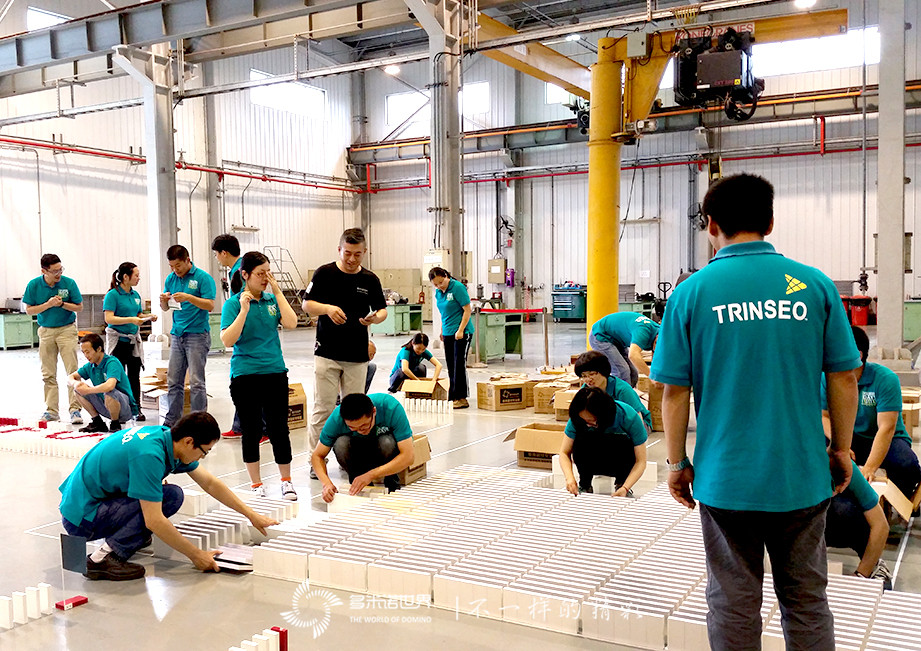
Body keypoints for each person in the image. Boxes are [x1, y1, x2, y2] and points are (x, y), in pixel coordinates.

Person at [650, 173, 860, 651]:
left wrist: (677, 463)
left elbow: (674, 392)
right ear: (770, 221)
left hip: (726, 481)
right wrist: (841, 450)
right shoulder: (814, 286)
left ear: (710, 224)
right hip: (801, 476)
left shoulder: (690, 293)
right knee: (806, 601)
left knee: (732, 602)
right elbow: (845, 377)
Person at [59, 412, 279, 581]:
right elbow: (154, 520)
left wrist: (251, 515)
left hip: (90, 503)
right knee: (166, 499)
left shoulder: (165, 439)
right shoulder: (149, 455)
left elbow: (210, 483)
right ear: (189, 441)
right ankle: (101, 559)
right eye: (204, 451)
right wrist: (196, 555)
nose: (202, 457)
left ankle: (127, 537)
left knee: (171, 494)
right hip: (83, 519)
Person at [302, 228, 387, 478]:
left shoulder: (370, 279)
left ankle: (349, 458)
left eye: (357, 254)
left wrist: (376, 318)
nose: (351, 259)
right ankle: (315, 461)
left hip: (357, 357)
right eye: (347, 253)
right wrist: (327, 309)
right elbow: (307, 304)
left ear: (365, 252)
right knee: (323, 408)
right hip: (327, 353)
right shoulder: (324, 273)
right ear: (339, 249)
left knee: (356, 413)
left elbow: (382, 309)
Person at [221, 252, 299, 500]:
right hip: (245, 375)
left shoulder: (271, 300)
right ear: (245, 275)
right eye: (260, 273)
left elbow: (292, 323)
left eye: (268, 272)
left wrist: (277, 292)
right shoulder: (233, 304)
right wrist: (244, 310)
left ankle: (286, 480)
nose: (265, 278)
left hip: (275, 372)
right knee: (251, 429)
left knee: (279, 428)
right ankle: (256, 484)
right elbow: (227, 340)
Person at [822, 326, 921, 499]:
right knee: (816, 455)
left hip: (884, 439)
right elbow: (823, 416)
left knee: (906, 465)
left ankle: (897, 503)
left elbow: (886, 429)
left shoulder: (885, 379)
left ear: (858, 355)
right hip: (847, 437)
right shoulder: (827, 378)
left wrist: (869, 468)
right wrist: (840, 444)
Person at [311, 393, 415, 501]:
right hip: (357, 451)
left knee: (387, 442)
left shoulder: (391, 407)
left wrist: (371, 474)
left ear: (374, 412)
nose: (360, 431)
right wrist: (326, 484)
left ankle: (392, 483)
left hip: (382, 448)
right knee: (341, 444)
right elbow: (317, 456)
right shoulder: (336, 419)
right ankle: (358, 483)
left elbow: (408, 456)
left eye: (364, 426)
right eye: (353, 428)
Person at [23, 254, 84, 424]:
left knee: (72, 371)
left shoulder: (69, 283)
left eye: (60, 270)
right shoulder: (34, 285)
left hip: (67, 329)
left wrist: (62, 304)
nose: (59, 274)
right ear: (44, 271)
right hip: (46, 331)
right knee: (48, 373)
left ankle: (75, 409)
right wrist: (48, 304)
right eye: (55, 271)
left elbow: (79, 307)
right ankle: (51, 410)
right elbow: (29, 310)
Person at [160, 245, 216, 427]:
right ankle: (172, 420)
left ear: (187, 260)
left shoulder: (203, 278)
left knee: (196, 382)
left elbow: (210, 305)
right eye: (172, 266)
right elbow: (166, 308)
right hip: (177, 334)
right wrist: (163, 301)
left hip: (197, 334)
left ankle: (199, 422)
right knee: (174, 380)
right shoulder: (171, 279)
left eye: (178, 265)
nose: (175, 270)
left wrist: (189, 297)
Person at [557, 387, 647, 497]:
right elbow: (564, 452)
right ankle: (585, 484)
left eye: (592, 421)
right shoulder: (578, 418)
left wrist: (625, 487)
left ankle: (621, 483)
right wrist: (569, 478)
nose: (588, 424)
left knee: (624, 442)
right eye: (585, 421)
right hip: (591, 460)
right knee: (580, 440)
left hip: (618, 460)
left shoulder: (628, 417)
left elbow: (641, 461)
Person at [825, 460, 892, 589]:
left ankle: (873, 564)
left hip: (830, 519)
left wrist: (861, 574)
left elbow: (880, 525)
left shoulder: (843, 464)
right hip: (799, 526)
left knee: (844, 510)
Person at [104, 262, 157, 421]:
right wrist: (131, 320)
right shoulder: (112, 295)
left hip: (133, 342)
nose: (139, 278)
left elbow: (138, 314)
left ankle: (136, 408)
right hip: (118, 342)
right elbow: (109, 318)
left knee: (134, 376)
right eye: (136, 275)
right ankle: (119, 409)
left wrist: (148, 317)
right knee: (118, 377)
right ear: (126, 277)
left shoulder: (135, 295)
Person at [68, 333, 139, 432]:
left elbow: (110, 386)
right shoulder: (91, 365)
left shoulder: (111, 362)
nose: (86, 356)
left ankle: (115, 423)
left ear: (98, 349)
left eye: (88, 352)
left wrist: (88, 390)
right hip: (106, 406)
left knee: (109, 391)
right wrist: (76, 384)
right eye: (83, 352)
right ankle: (97, 422)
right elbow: (70, 377)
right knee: (78, 389)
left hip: (124, 408)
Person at [212, 234, 244, 438]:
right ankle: (239, 426)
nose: (216, 258)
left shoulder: (240, 273)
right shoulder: (237, 270)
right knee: (239, 381)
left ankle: (261, 428)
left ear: (224, 253)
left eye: (216, 254)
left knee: (244, 383)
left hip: (243, 332)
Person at [574, 350, 652, 432]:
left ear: (603, 370)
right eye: (584, 376)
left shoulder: (622, 390)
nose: (588, 379)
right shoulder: (585, 390)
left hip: (635, 424)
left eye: (592, 374)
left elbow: (637, 418)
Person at [429, 267, 473, 409]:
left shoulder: (457, 288)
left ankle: (461, 397)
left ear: (446, 276)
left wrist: (460, 330)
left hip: (462, 332)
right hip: (448, 332)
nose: (439, 286)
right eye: (436, 284)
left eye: (441, 282)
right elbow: (444, 313)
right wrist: (442, 330)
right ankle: (453, 396)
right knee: (451, 364)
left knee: (459, 364)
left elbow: (467, 310)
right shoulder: (438, 292)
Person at [589, 311, 658, 387]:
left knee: (633, 374)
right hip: (601, 335)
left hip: (617, 339)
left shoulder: (660, 332)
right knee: (621, 372)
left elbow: (656, 357)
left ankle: (628, 392)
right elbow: (633, 356)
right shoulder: (643, 332)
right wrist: (652, 377)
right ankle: (616, 394)